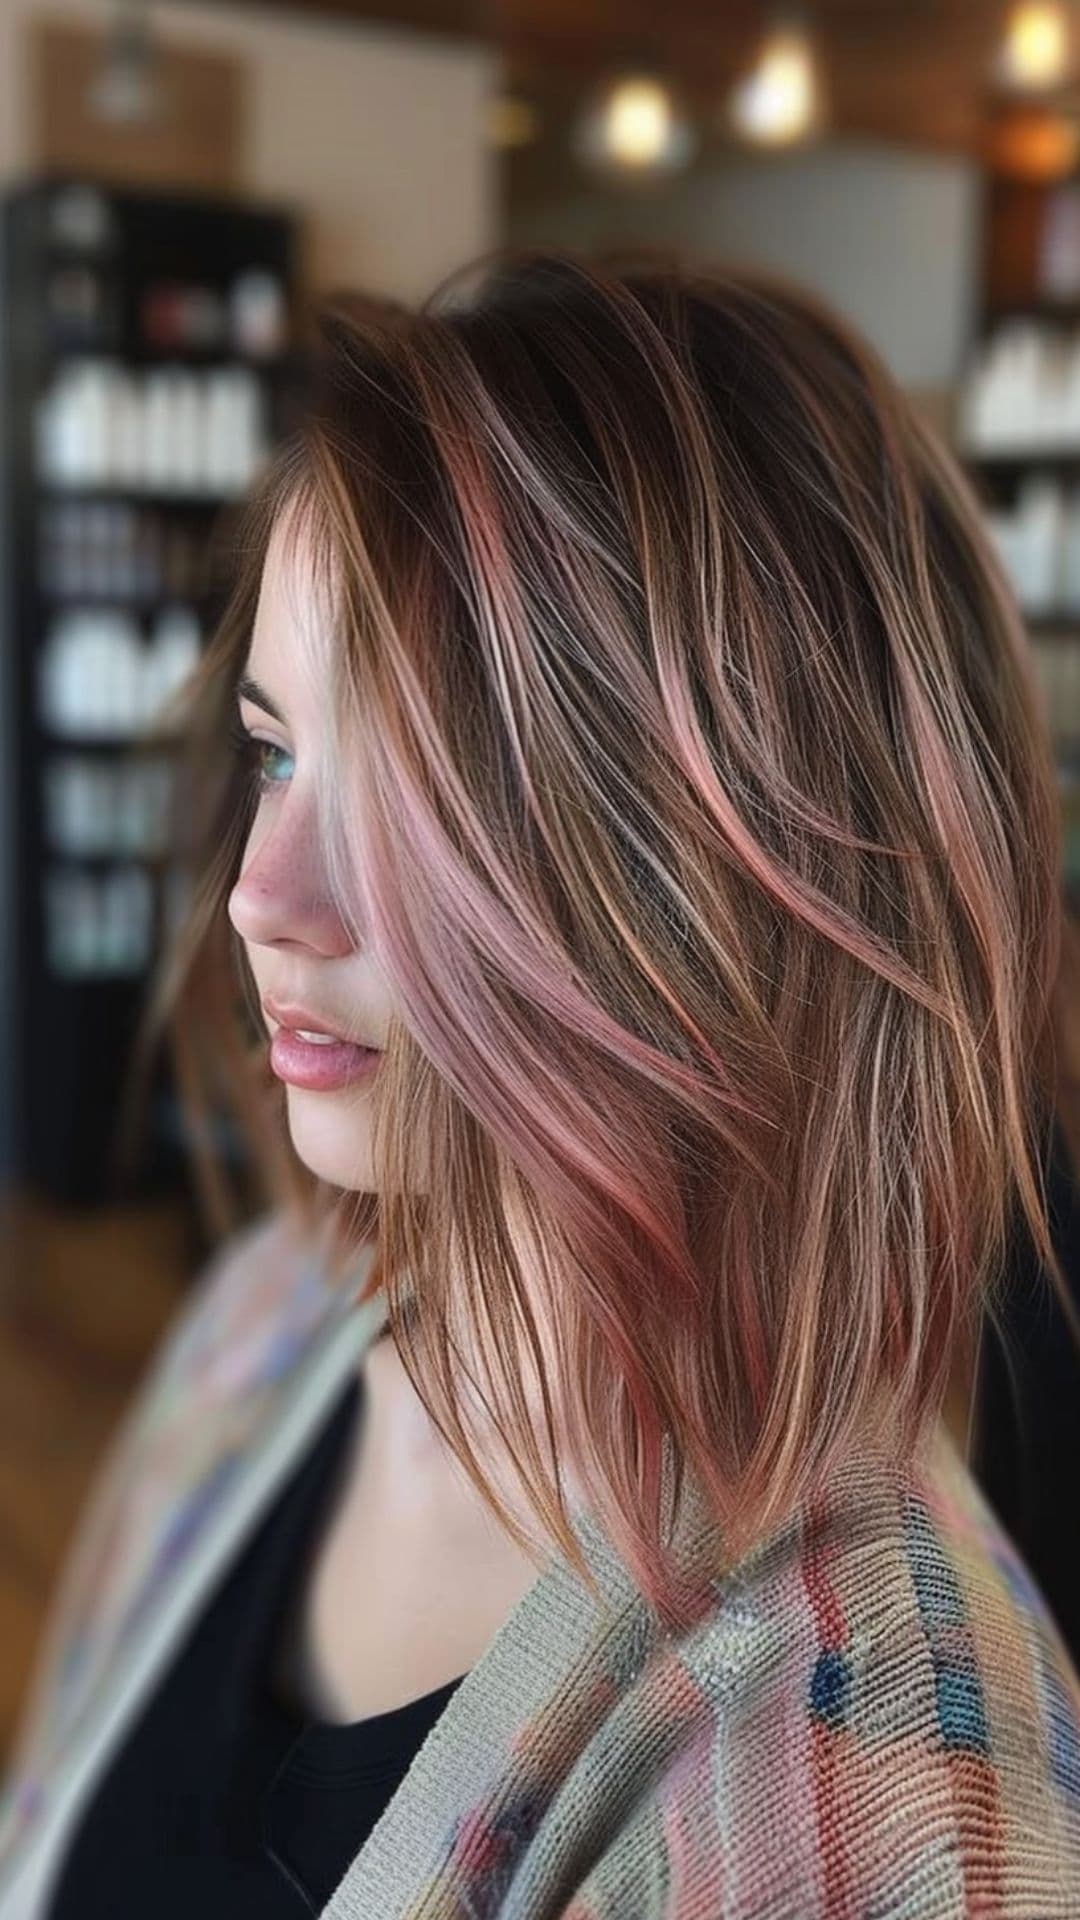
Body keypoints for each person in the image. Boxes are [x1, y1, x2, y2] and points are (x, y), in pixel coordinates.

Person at [1, 245, 1080, 1919]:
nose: (258, 895)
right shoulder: (270, 1323)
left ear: (721, 870)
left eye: (422, 797)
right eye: (280, 752)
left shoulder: (898, 1815)